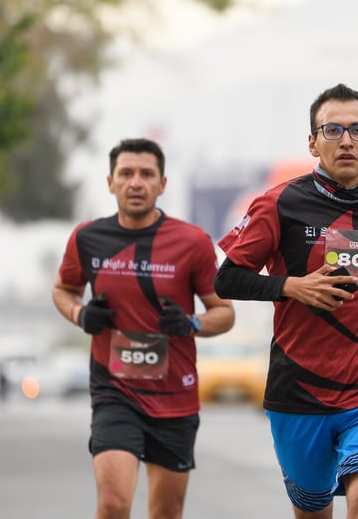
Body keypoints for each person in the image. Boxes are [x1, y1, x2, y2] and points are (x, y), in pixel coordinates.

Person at [213, 83, 358, 519]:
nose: (346, 140)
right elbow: (227, 279)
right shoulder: (278, 204)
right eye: (333, 130)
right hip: (300, 389)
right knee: (312, 511)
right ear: (313, 142)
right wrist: (291, 286)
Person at [51, 138, 235, 519]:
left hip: (175, 397)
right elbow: (63, 290)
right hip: (114, 390)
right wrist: (80, 315)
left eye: (147, 174)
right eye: (127, 174)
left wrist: (191, 323)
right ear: (110, 182)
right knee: (114, 502)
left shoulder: (193, 242)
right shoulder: (87, 238)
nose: (136, 182)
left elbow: (224, 312)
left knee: (166, 512)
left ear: (162, 184)